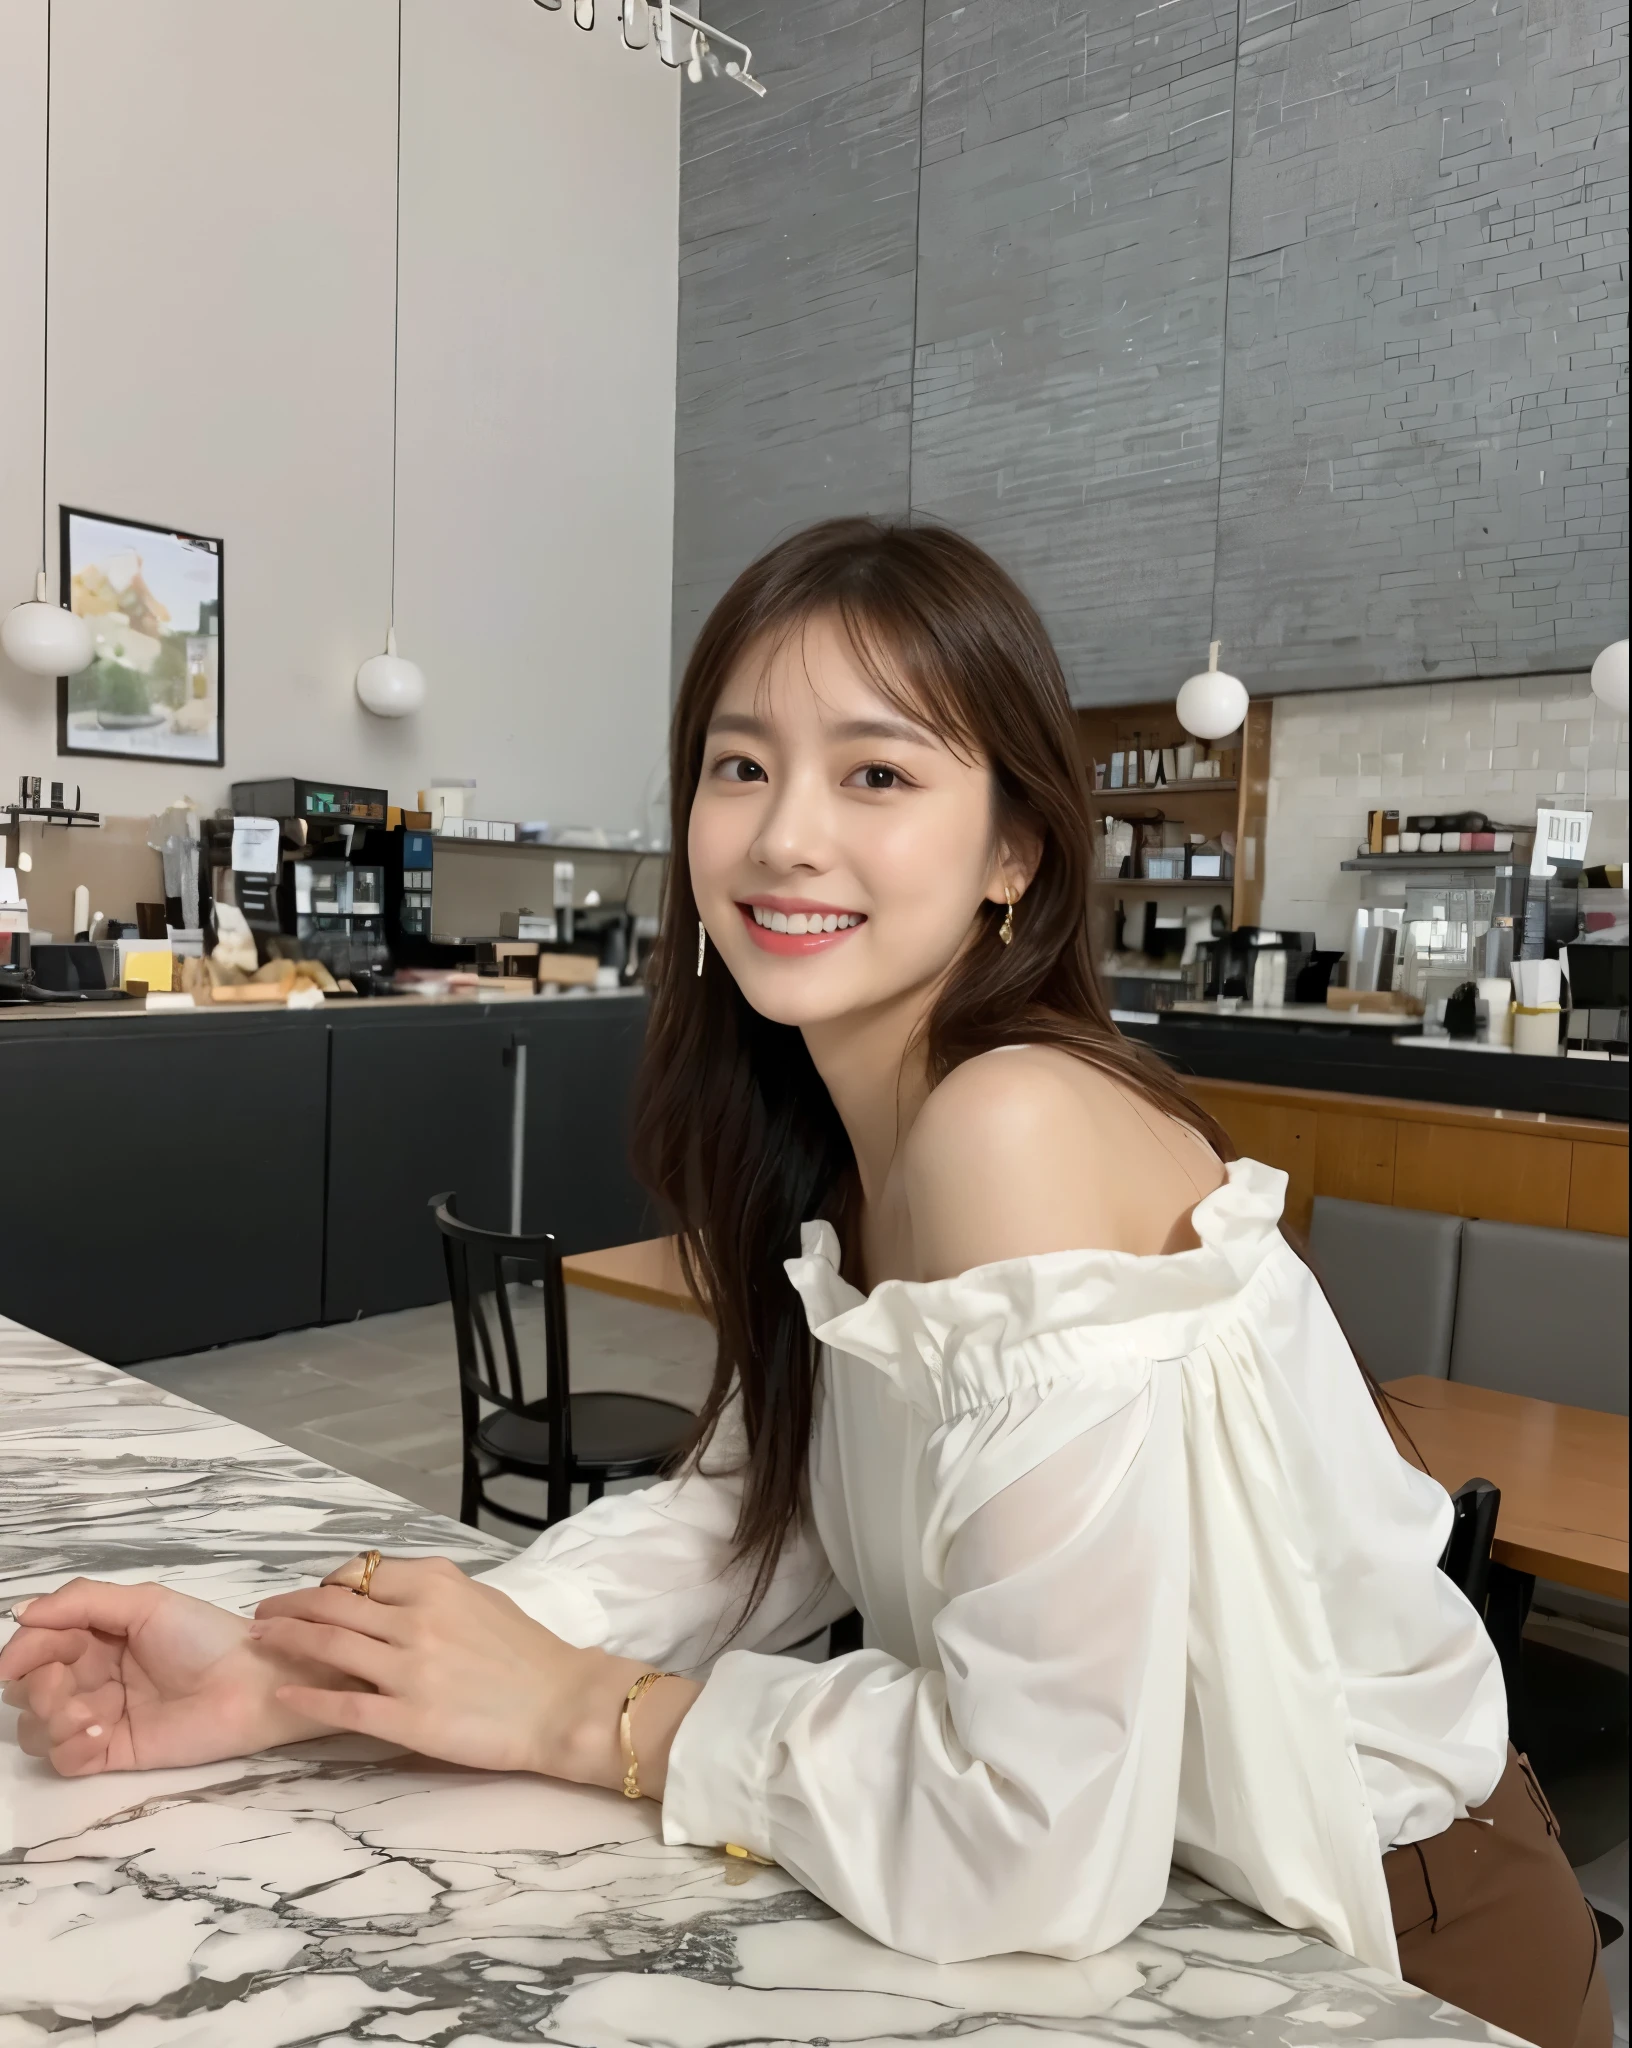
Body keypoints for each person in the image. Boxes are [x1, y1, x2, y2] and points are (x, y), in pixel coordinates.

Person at [1, 520, 1607, 2047]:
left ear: (1015, 850)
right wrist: (293, 1676)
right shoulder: (846, 1149)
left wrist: (589, 1716)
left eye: (877, 772)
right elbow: (745, 1528)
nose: (784, 835)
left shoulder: (1014, 1122)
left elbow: (1032, 1828)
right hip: (1207, 1935)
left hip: (1395, 1953)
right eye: (742, 765)